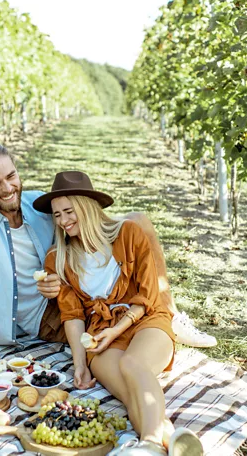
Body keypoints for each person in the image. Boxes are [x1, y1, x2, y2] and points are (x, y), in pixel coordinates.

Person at [0, 143, 215, 350]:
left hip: (78, 289)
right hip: (44, 316)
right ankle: (154, 324)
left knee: (138, 221)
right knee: (123, 324)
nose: (8, 189)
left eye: (11, 176)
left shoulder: (39, 203)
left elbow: (90, 222)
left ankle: (170, 314)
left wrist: (63, 278)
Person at [34, 171, 204, 456]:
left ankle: (148, 443)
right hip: (100, 332)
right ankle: (172, 439)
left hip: (144, 318)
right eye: (57, 215)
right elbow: (73, 315)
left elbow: (149, 294)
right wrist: (80, 364)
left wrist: (119, 327)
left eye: (68, 211)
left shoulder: (129, 234)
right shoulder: (58, 258)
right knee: (128, 394)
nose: (63, 221)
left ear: (86, 207)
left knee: (132, 365)